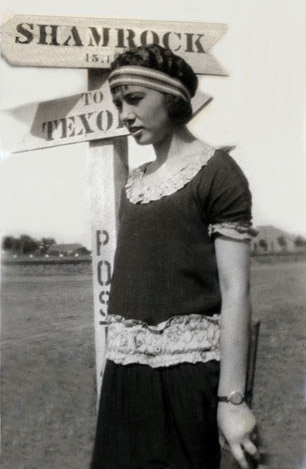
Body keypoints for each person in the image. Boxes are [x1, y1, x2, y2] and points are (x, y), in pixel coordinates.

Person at [90, 44, 260, 469]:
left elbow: (236, 291)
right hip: (125, 377)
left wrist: (232, 401)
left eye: (134, 100)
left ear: (172, 99)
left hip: (186, 378)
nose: (124, 114)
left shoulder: (217, 172)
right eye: (118, 103)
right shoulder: (134, 183)